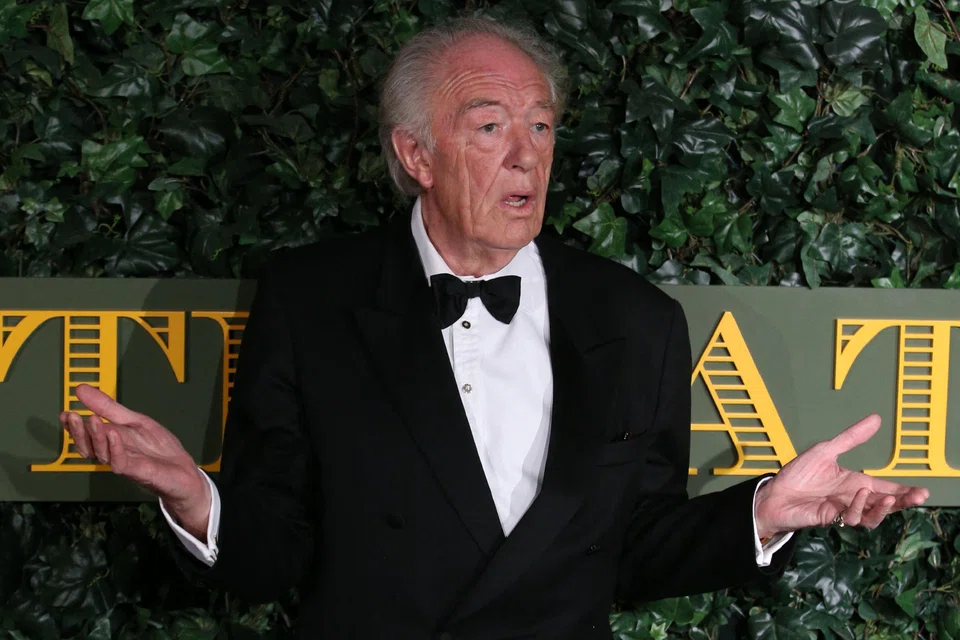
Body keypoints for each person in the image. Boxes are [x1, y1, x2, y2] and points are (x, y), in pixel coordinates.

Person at [60, 16, 929, 639]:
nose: (527, 155)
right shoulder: (308, 300)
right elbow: (276, 554)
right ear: (416, 155)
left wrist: (763, 512)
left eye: (542, 127)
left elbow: (632, 554)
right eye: (490, 127)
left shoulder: (636, 320)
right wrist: (192, 496)